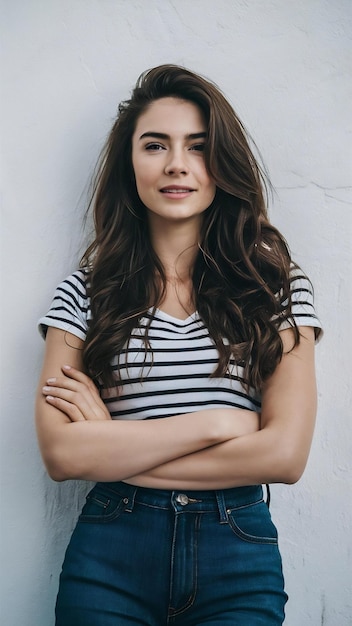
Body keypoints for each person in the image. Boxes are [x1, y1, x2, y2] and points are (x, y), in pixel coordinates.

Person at [35, 64, 322, 626]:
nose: (176, 165)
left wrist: (115, 446)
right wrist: (219, 424)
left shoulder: (277, 287)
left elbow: (285, 456)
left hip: (237, 551)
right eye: (154, 145)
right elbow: (63, 455)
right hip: (109, 555)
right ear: (130, 163)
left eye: (198, 146)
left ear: (223, 163)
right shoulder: (83, 293)